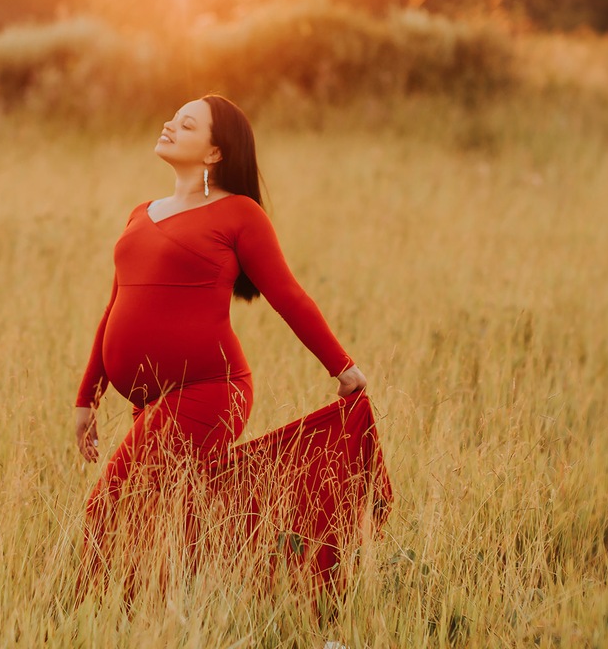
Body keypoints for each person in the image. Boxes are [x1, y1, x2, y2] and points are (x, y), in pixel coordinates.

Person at [73, 95, 391, 592]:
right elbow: (114, 307)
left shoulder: (239, 214)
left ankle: (73, 617)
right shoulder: (141, 212)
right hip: (151, 399)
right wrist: (86, 398)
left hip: (207, 391)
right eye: (172, 119)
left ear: (215, 152)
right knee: (166, 522)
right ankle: (174, 615)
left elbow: (287, 295)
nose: (169, 125)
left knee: (110, 506)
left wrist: (342, 368)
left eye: (187, 124)